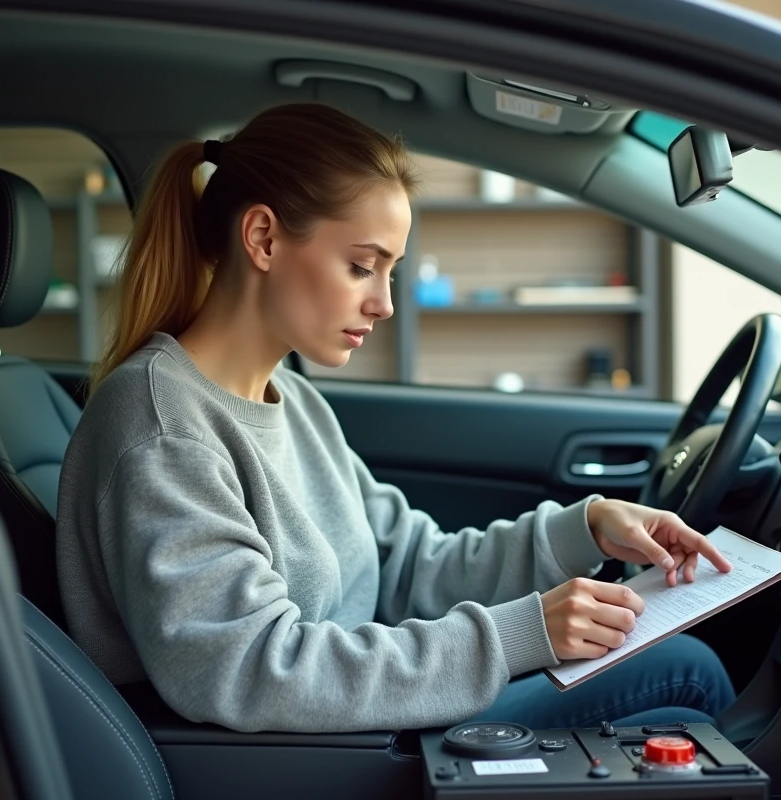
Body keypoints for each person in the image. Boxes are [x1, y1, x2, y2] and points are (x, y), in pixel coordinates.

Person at [56, 102, 736, 734]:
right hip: (307, 757)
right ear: (263, 238)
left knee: (682, 675)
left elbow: (408, 566)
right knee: (687, 674)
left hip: (365, 719)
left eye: (390, 272)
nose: (382, 303)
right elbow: (250, 667)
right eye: (362, 266)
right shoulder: (163, 427)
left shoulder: (294, 401)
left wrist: (585, 528)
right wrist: (522, 634)